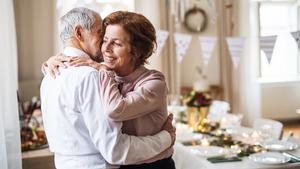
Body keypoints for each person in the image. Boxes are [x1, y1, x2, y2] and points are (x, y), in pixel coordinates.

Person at [40, 7, 176, 169]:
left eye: (116, 42)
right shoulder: (88, 74)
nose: (105, 48)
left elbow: (115, 111)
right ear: (79, 33)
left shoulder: (53, 75)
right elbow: (115, 149)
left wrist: (102, 70)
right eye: (102, 37)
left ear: (137, 51)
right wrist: (166, 137)